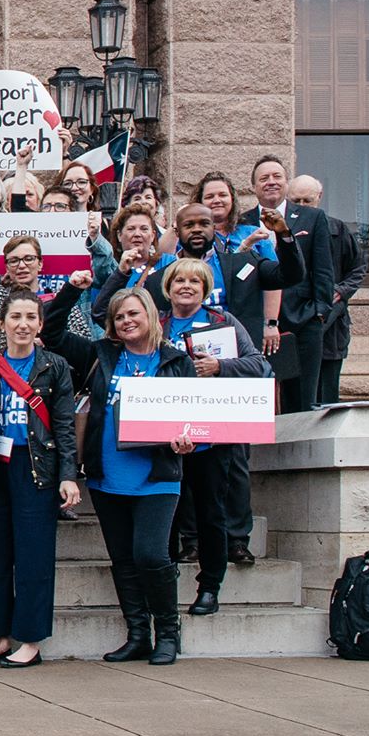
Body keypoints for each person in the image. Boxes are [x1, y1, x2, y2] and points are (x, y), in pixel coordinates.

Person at [42, 286, 199, 665]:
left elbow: (194, 417)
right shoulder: (102, 355)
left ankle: (168, 633)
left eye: (133, 314)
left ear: (150, 315)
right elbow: (52, 334)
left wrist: (188, 440)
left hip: (157, 476)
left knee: (150, 555)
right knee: (123, 558)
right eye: (119, 317)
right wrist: (73, 289)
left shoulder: (177, 361)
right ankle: (137, 634)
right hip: (106, 474)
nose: (127, 321)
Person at [0, 290, 80, 668]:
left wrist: (68, 476)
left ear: (40, 323)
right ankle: (0, 634)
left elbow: (66, 427)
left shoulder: (54, 367)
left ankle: (30, 639)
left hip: (35, 468)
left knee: (33, 554)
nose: (23, 324)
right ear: (2, 323)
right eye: (15, 317)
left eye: (30, 317)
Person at [147, 255, 271, 615]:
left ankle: (210, 586)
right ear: (167, 288)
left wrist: (220, 366)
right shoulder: (157, 323)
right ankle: (164, 579)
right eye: (178, 281)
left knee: (210, 510)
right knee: (165, 510)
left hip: (212, 434)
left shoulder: (223, 322)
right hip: (164, 433)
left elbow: (258, 364)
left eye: (195, 282)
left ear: (205, 289)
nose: (186, 286)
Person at [243, 155, 338, 413]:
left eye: (277, 177)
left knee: (301, 401)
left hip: (303, 322)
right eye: (264, 178)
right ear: (254, 186)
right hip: (255, 325)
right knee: (259, 400)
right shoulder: (242, 222)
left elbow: (323, 270)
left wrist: (319, 313)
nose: (271, 182)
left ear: (286, 182)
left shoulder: (312, 218)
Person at [290, 175, 362, 405]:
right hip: (297, 322)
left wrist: (341, 291)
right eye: (296, 201)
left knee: (327, 395)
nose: (302, 207)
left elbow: (358, 268)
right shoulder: (284, 230)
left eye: (307, 201)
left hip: (331, 329)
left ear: (319, 198)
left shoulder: (338, 229)